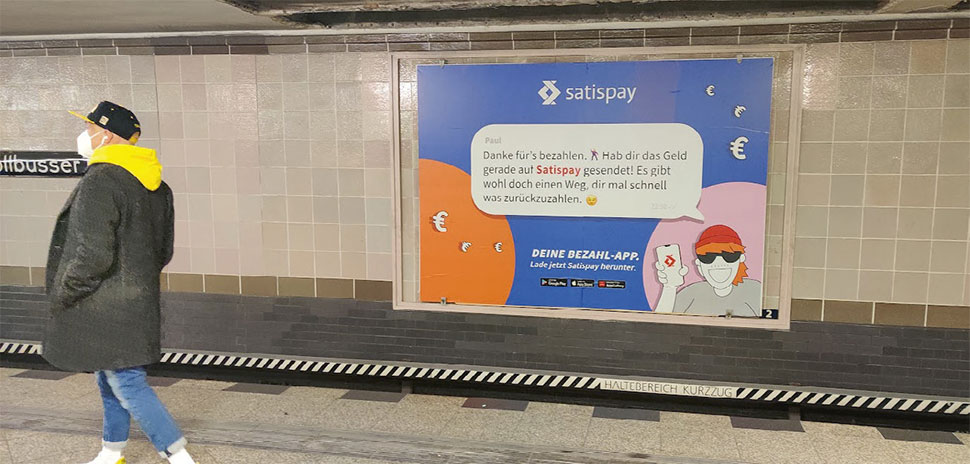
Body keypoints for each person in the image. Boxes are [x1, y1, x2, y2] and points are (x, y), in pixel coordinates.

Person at [43, 101, 196, 464]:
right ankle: (111, 452)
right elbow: (163, 250)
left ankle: (178, 455)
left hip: (104, 305)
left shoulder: (101, 181)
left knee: (127, 382)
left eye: (90, 128)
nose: (84, 135)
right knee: (108, 375)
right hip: (136, 300)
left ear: (107, 135)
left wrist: (63, 293)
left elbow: (92, 255)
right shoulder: (157, 185)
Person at [653, 224, 762, 317]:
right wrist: (669, 288)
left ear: (741, 259)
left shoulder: (755, 290)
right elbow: (660, 323)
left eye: (729, 255)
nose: (719, 262)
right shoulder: (690, 294)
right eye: (708, 257)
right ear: (699, 265)